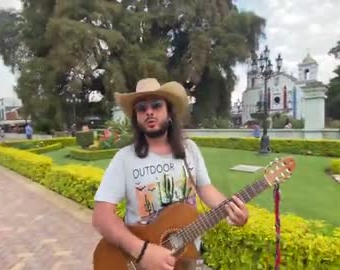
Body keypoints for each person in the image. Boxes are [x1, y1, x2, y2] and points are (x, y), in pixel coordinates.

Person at [92, 78, 249, 270]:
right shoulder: (124, 158)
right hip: (140, 261)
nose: (149, 111)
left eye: (156, 105)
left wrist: (231, 211)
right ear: (136, 117)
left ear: (169, 112)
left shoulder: (189, 150)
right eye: (141, 108)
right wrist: (142, 252)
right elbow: (101, 216)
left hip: (189, 257)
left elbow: (205, 188)